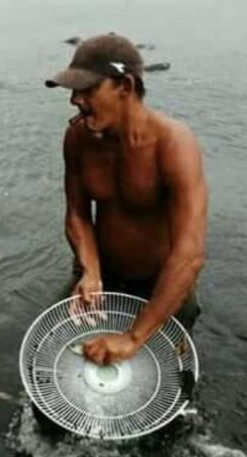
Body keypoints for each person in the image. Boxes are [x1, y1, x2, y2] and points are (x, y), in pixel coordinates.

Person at [45, 33, 208, 365]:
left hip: (162, 282)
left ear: (125, 86)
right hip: (103, 271)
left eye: (87, 90)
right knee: (54, 352)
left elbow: (189, 256)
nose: (74, 100)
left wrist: (133, 338)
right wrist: (90, 270)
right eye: (73, 91)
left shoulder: (174, 144)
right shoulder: (78, 138)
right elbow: (77, 214)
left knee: (168, 371)